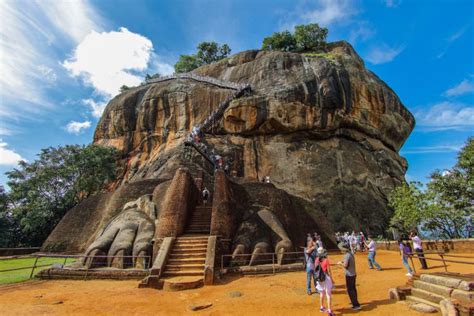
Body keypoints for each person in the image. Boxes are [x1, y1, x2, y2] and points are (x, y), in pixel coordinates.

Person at [337, 242, 361, 311]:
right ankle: (355, 302)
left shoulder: (347, 255)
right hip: (353, 273)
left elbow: (345, 265)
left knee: (350, 290)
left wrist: (340, 264)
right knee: (353, 289)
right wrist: (342, 262)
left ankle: (356, 305)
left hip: (349, 274)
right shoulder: (350, 253)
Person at [315, 247, 334, 315]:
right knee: (328, 294)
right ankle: (329, 310)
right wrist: (332, 279)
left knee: (321, 293)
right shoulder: (326, 260)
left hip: (319, 278)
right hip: (326, 277)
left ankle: (321, 307)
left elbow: (316, 269)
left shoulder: (316, 260)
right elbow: (329, 271)